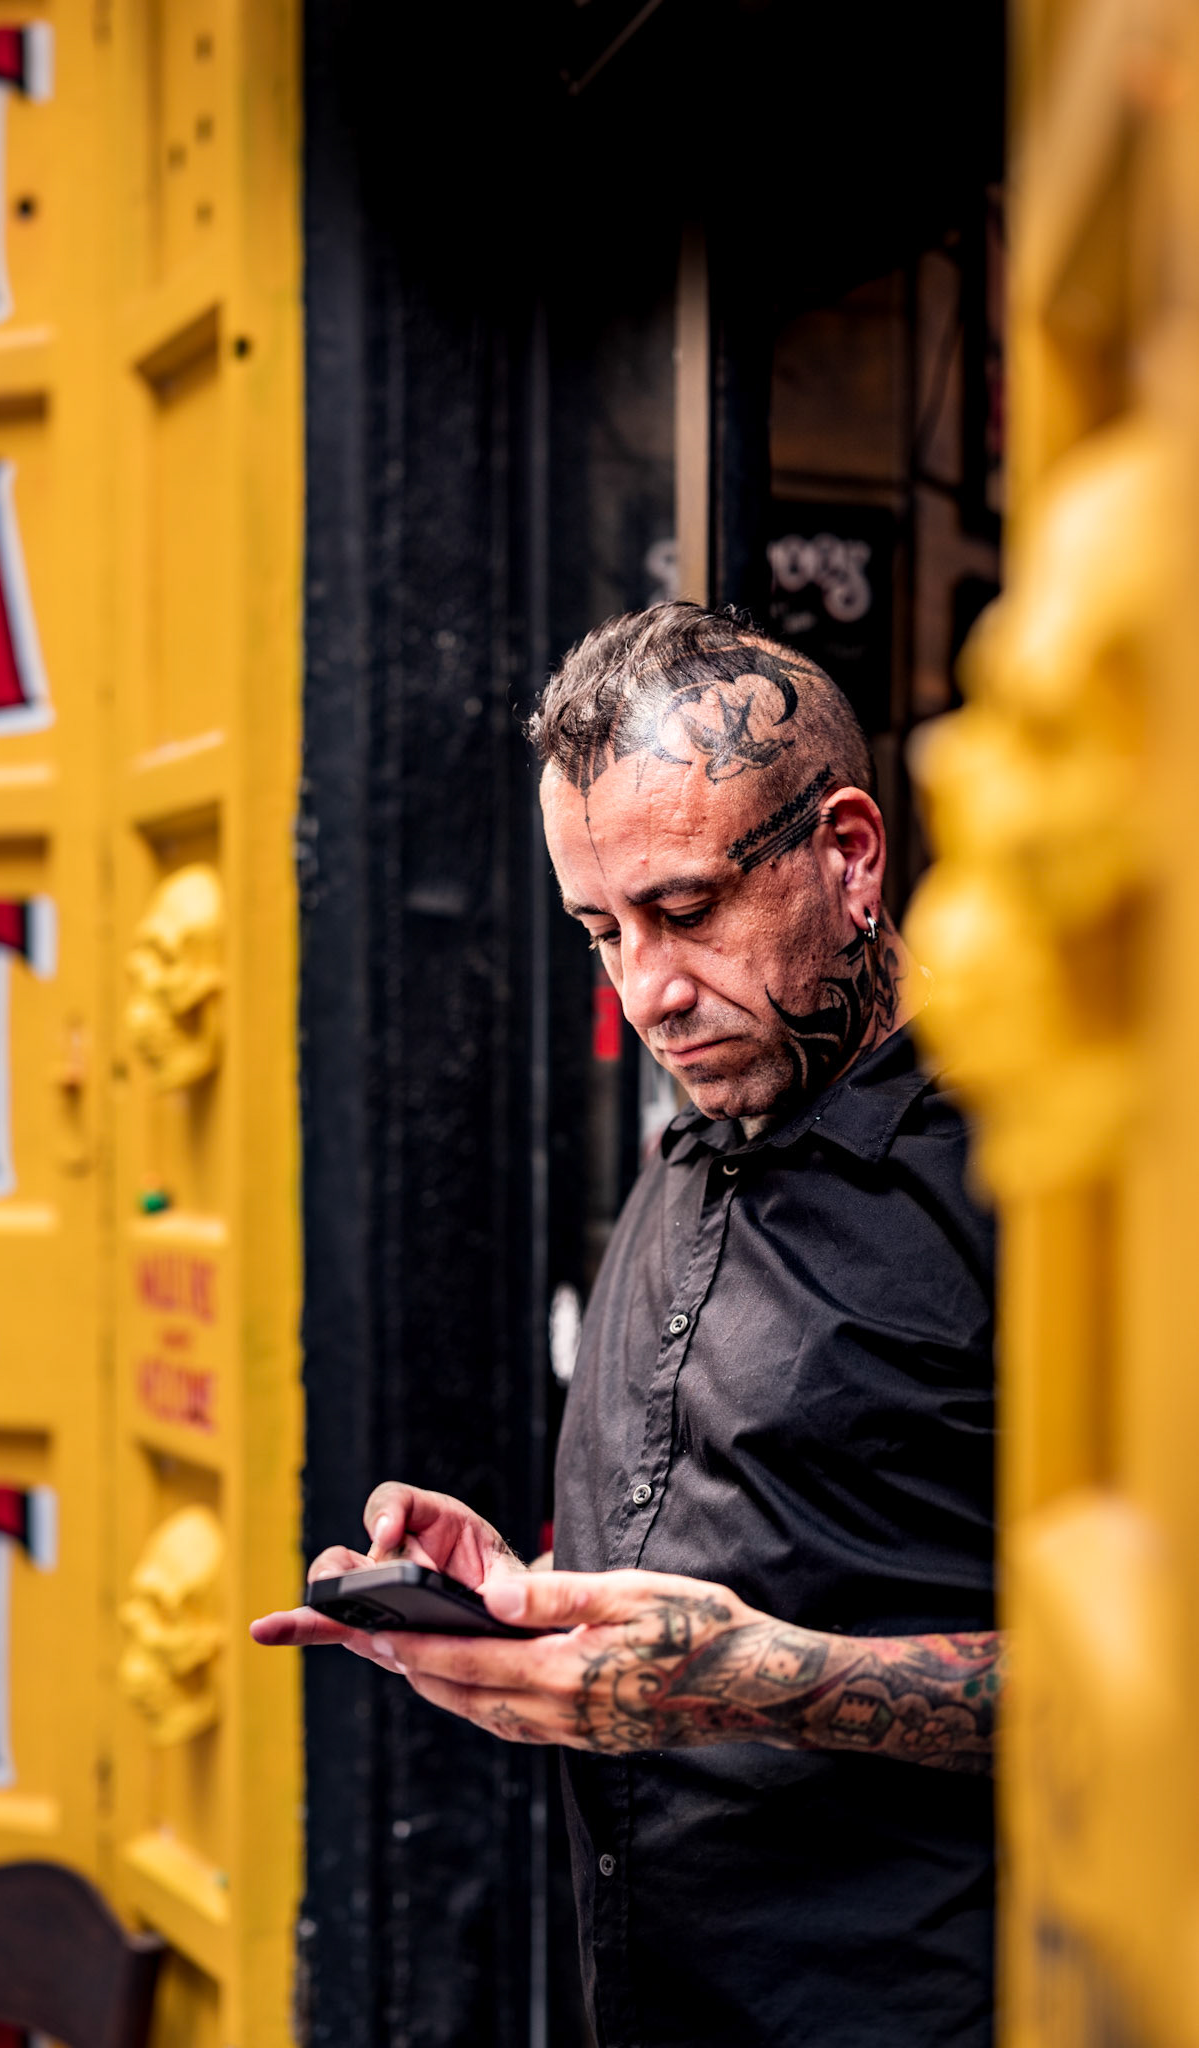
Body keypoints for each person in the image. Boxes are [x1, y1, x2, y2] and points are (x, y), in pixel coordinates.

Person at [253, 603, 997, 2048]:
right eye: (602, 931)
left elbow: (1159, 1688)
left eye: (689, 909)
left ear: (849, 856)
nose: (649, 992)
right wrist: (522, 1603)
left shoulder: (1049, 1182)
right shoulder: (699, 1130)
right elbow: (776, 1549)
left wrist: (761, 1682)